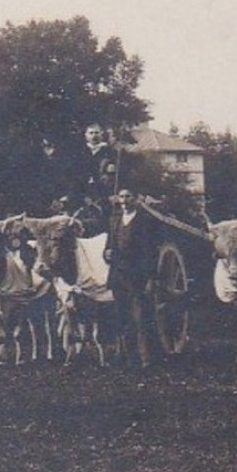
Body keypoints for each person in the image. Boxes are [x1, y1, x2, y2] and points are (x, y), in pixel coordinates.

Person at [104, 188, 164, 368]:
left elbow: (150, 251)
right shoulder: (114, 220)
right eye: (121, 197)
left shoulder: (144, 221)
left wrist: (149, 278)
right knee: (121, 316)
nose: (124, 200)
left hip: (137, 275)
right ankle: (125, 357)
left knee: (140, 317)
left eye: (128, 196)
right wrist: (106, 253)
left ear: (136, 199)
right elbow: (110, 246)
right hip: (118, 275)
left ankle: (146, 358)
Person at [81, 124, 120, 211]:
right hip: (84, 189)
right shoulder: (81, 152)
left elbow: (117, 174)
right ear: (86, 136)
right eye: (91, 133)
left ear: (101, 135)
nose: (94, 135)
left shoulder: (110, 152)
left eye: (96, 133)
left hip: (103, 190)